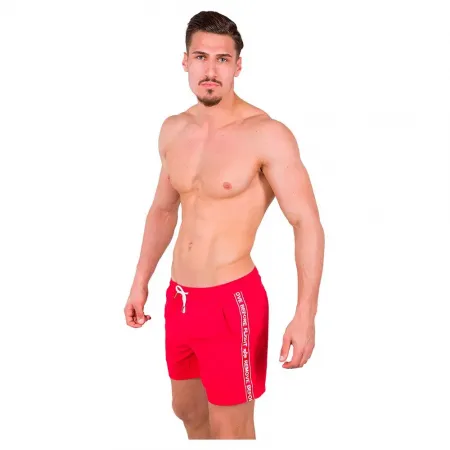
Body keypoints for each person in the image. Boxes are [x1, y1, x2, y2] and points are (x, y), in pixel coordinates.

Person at [124, 10, 325, 440]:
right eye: (201, 57)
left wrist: (305, 314)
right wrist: (141, 281)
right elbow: (163, 210)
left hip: (231, 303)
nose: (210, 70)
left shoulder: (266, 134)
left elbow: (306, 222)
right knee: (188, 412)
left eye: (222, 59)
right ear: (185, 61)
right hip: (179, 299)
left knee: (230, 431)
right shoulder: (174, 129)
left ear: (238, 66)